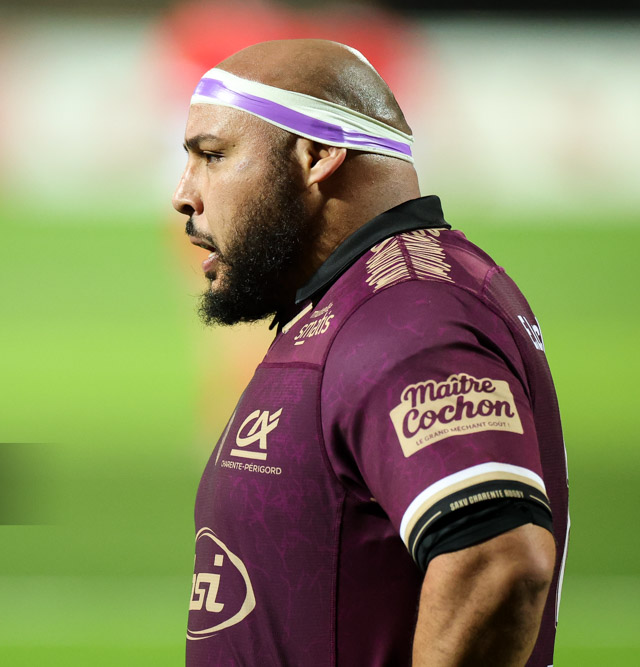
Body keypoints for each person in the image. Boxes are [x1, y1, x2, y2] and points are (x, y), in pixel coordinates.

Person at [174, 39, 568, 666]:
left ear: (317, 156)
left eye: (213, 156)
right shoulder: (363, 300)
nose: (183, 194)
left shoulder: (408, 314)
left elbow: (497, 562)